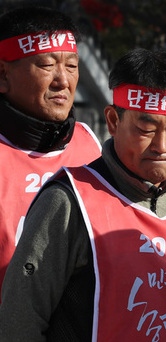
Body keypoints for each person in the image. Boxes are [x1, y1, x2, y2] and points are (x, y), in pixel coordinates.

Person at [0, 48, 166, 341]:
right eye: (146, 129)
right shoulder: (69, 202)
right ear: (113, 121)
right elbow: (20, 321)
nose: (162, 146)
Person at [0, 5, 102, 295]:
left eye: (71, 66)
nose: (62, 81)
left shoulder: (92, 145)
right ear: (3, 75)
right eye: (46, 65)